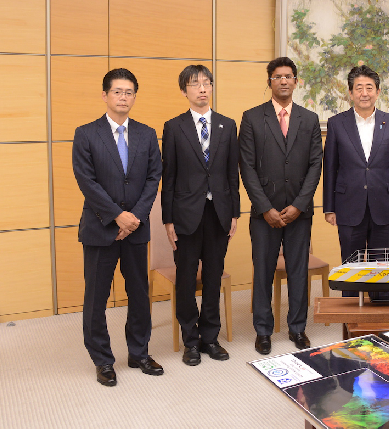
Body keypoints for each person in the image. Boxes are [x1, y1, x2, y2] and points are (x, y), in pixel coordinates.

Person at [72, 68, 163, 386]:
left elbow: (154, 178)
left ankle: (139, 353)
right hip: (100, 228)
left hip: (136, 229)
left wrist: (134, 217)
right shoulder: (86, 134)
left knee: (139, 293)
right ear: (105, 95)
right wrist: (116, 216)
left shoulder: (147, 134)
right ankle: (102, 360)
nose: (123, 97)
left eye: (129, 92)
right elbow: (87, 181)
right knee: (96, 297)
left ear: (134, 97)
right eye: (117, 92)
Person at [239, 57, 323, 355]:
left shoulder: (309, 119)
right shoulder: (251, 118)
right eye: (277, 77)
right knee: (263, 271)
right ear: (269, 82)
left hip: (299, 212)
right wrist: (264, 207)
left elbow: (316, 165)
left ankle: (297, 328)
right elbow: (246, 167)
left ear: (296, 82)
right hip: (265, 214)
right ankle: (263, 330)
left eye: (289, 76)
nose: (283, 81)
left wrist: (300, 205)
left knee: (298, 271)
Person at [161, 65, 239, 365]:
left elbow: (233, 174)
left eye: (207, 83)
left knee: (213, 276)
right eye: (195, 84)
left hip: (218, 213)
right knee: (185, 278)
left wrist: (233, 212)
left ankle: (210, 338)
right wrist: (168, 218)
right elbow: (168, 176)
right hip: (185, 214)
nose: (202, 88)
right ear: (185, 90)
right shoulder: (174, 126)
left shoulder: (226, 125)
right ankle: (190, 340)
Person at [323, 65, 389, 298]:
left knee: (380, 267)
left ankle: (378, 311)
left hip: (384, 204)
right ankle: (350, 316)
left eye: (369, 87)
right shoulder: (337, 123)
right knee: (351, 266)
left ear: (378, 92)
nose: (364, 93)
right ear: (351, 93)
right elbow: (329, 167)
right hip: (348, 204)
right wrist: (329, 208)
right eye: (359, 88)